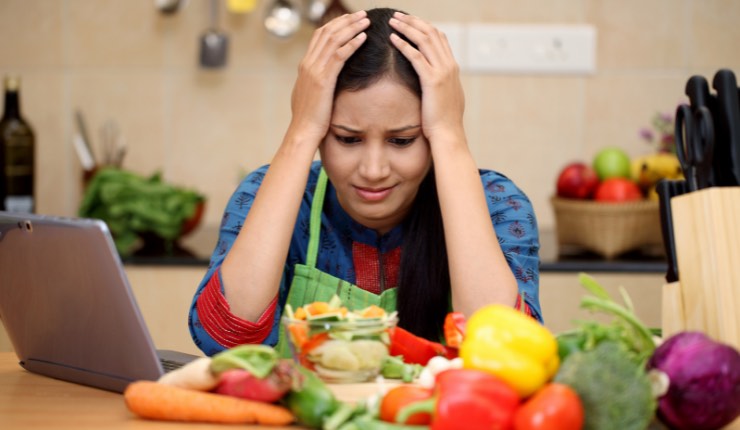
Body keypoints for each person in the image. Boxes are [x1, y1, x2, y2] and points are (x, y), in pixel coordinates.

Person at [189, 7, 541, 357]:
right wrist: (300, 130)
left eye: (402, 141)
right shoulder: (273, 195)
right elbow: (226, 338)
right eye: (347, 138)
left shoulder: (496, 203)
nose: (373, 170)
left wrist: (450, 136)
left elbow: (505, 351)